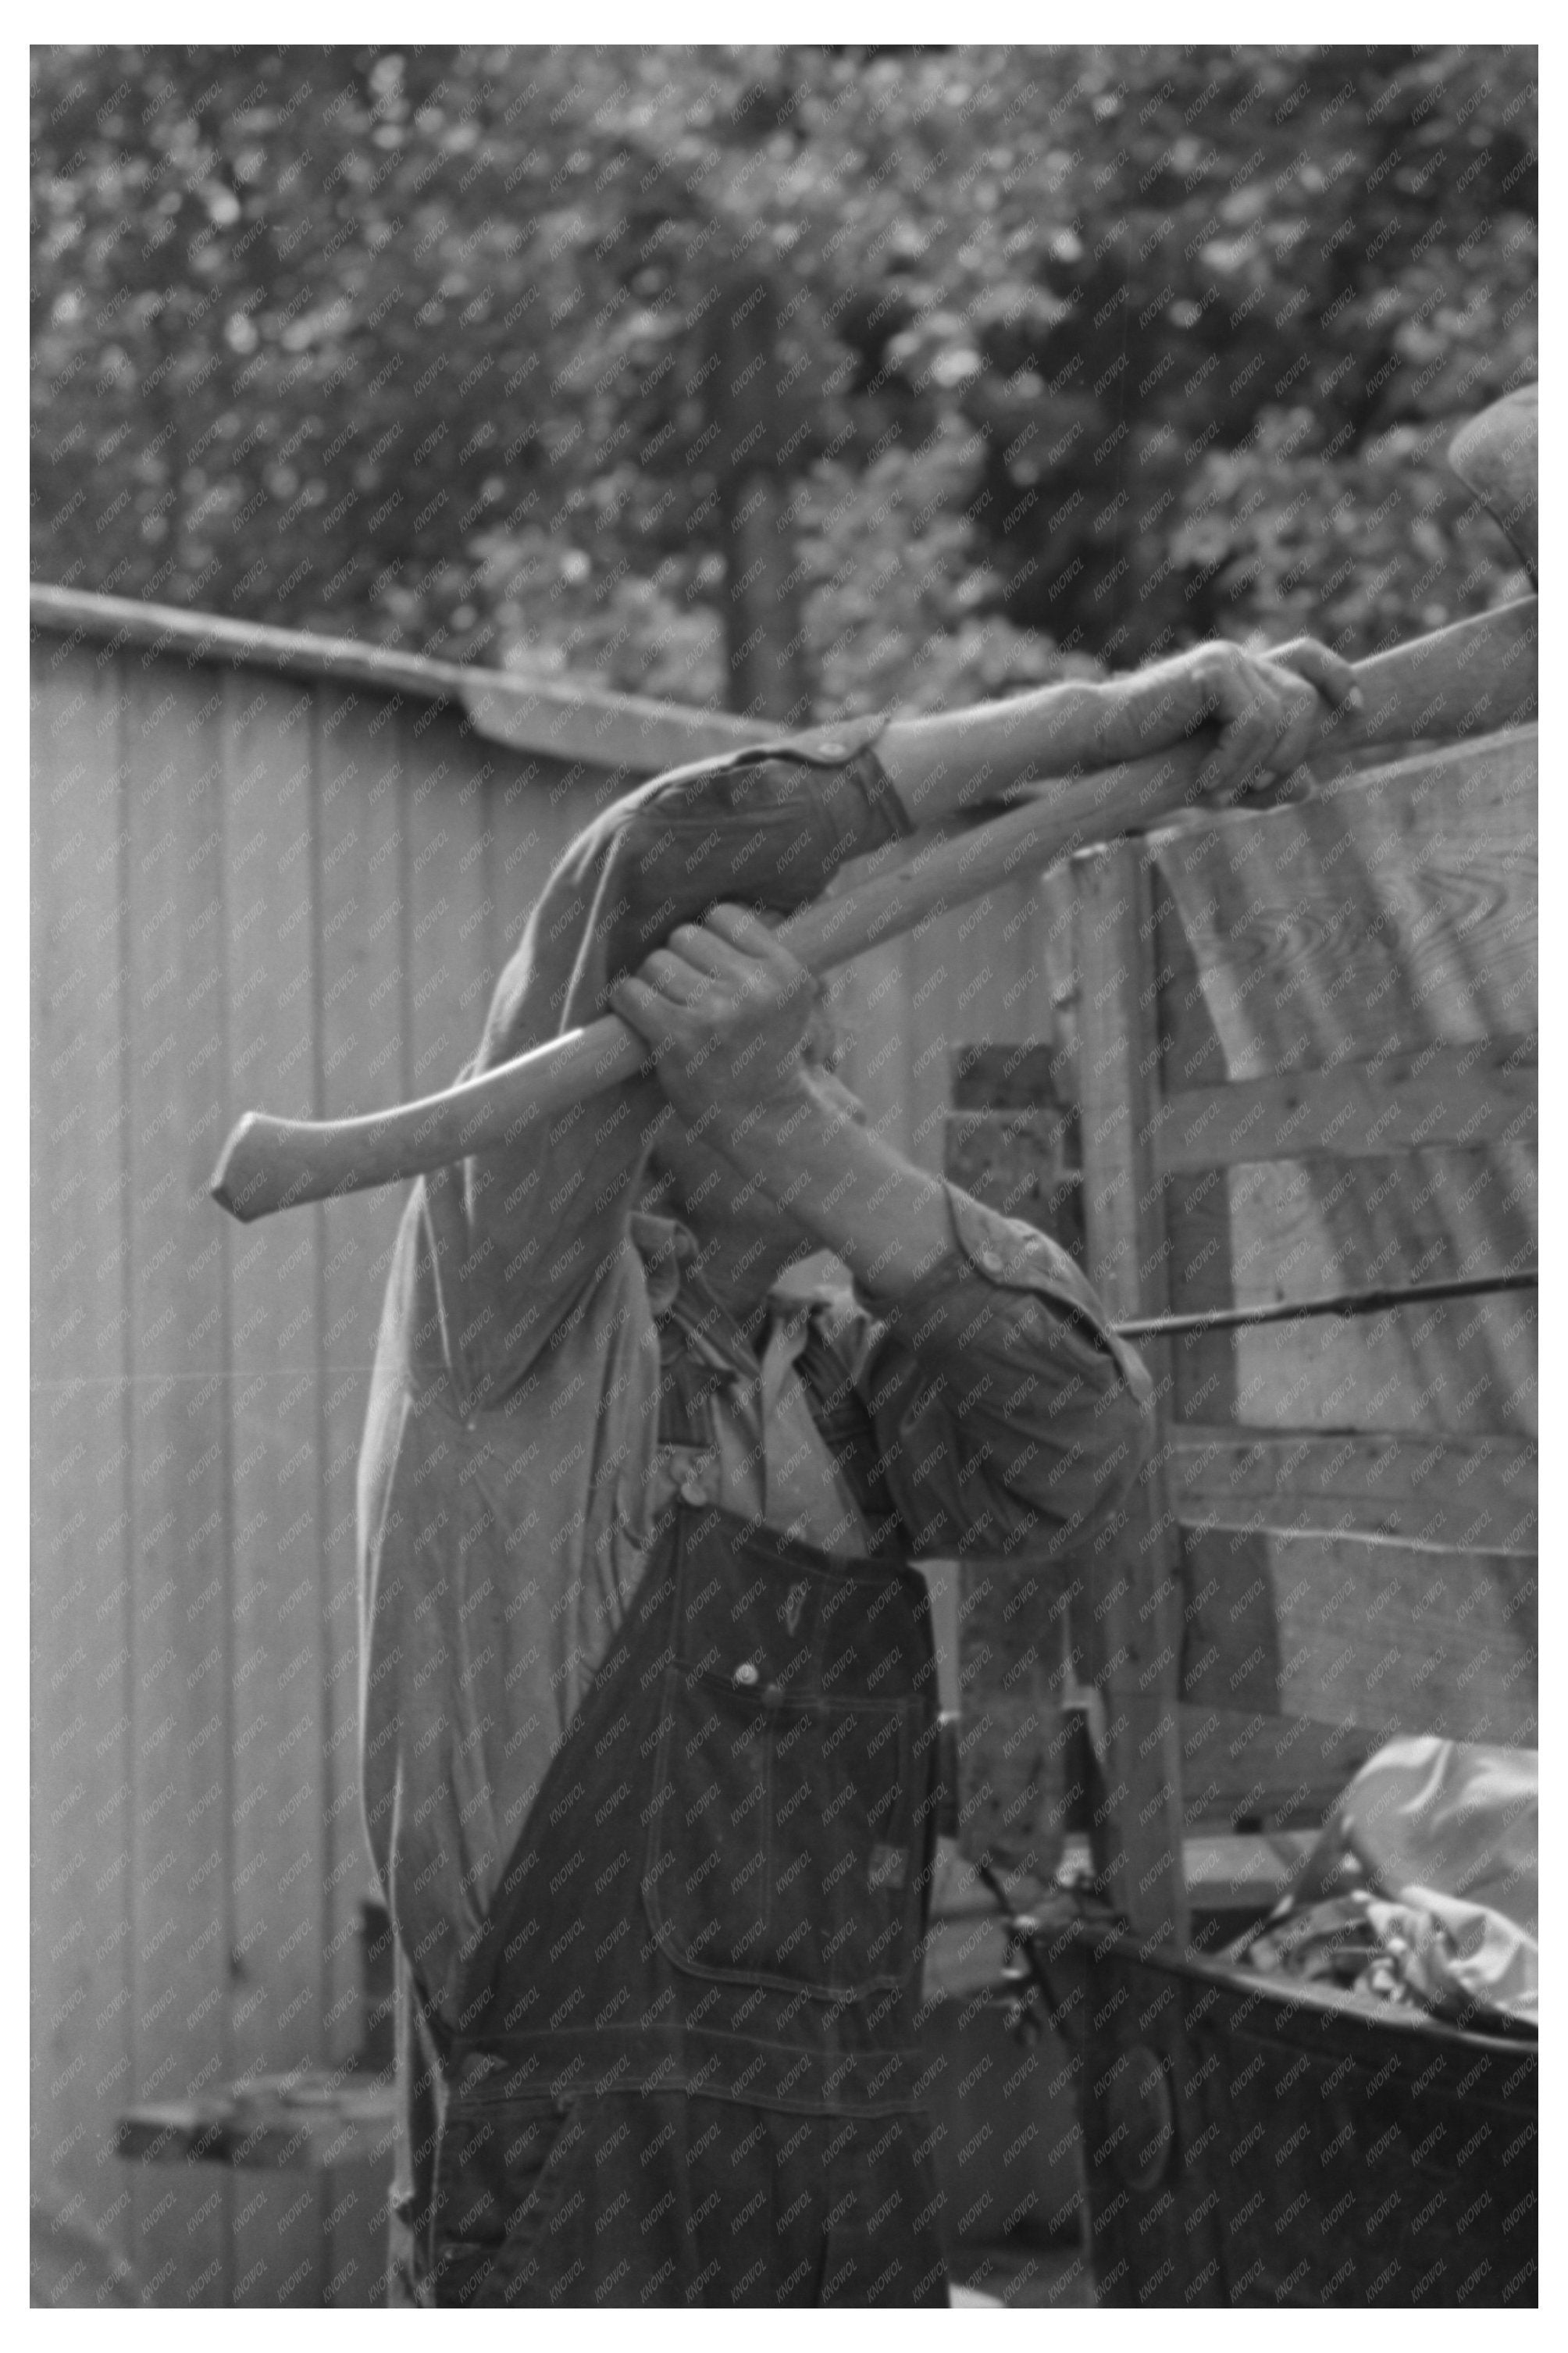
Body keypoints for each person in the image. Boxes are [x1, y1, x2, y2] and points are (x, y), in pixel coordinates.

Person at [358, 636, 1358, 2307]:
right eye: (781, 1045)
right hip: (580, 2202)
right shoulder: (510, 1319)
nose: (829, 1079)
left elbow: (1078, 1444)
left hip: (842, 2182)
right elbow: (651, 858)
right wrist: (1106, 717)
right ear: (633, 1105)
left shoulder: (839, 1392)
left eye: (821, 1055)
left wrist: (790, 1125)